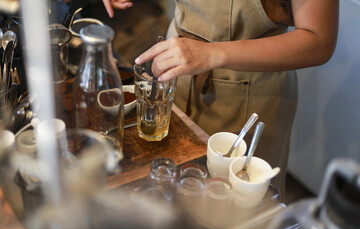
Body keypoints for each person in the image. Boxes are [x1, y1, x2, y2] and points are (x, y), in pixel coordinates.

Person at [102, 0, 339, 198]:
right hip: (178, 71)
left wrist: (211, 53)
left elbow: (319, 40)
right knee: (172, 202)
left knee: (233, 214)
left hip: (247, 94)